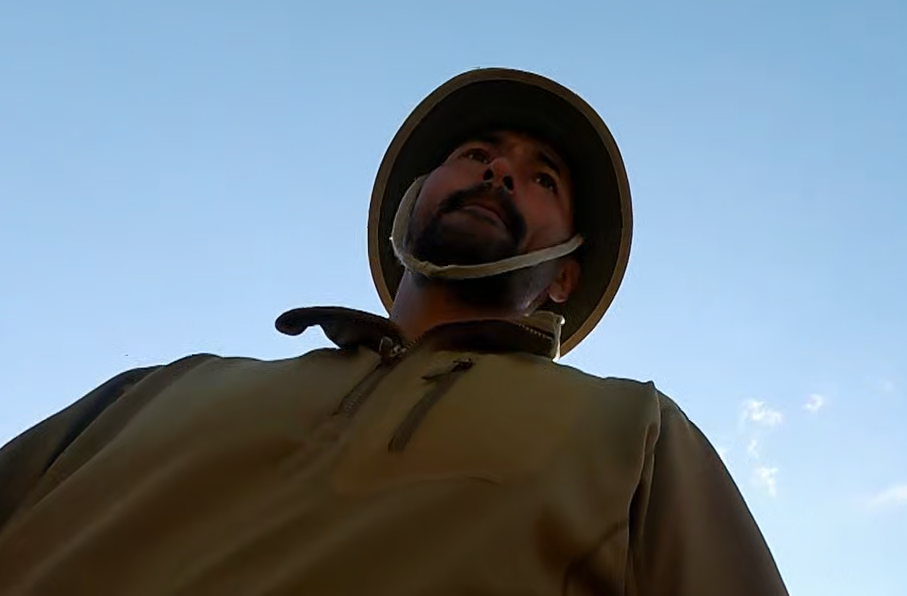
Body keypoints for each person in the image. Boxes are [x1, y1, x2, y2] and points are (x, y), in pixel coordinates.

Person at [0, 68, 790, 595]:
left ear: (564, 276)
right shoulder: (163, 389)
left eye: (541, 177)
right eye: (475, 154)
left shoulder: (635, 433)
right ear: (409, 203)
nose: (498, 172)